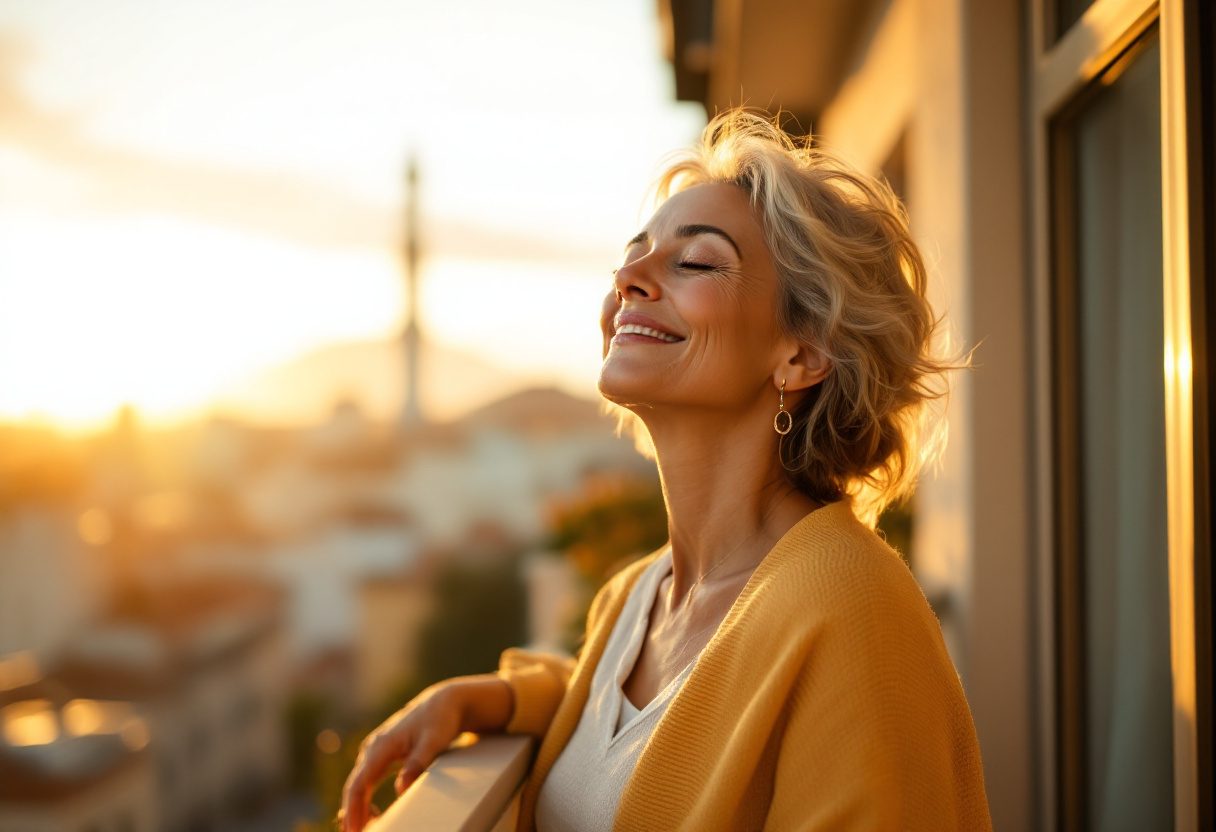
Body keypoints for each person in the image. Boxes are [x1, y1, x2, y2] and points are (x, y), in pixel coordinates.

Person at [339, 109, 993, 831]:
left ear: (801, 354)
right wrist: (495, 699)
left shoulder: (854, 612)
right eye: (635, 252)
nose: (628, 277)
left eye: (696, 261)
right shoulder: (636, 597)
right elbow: (659, 725)